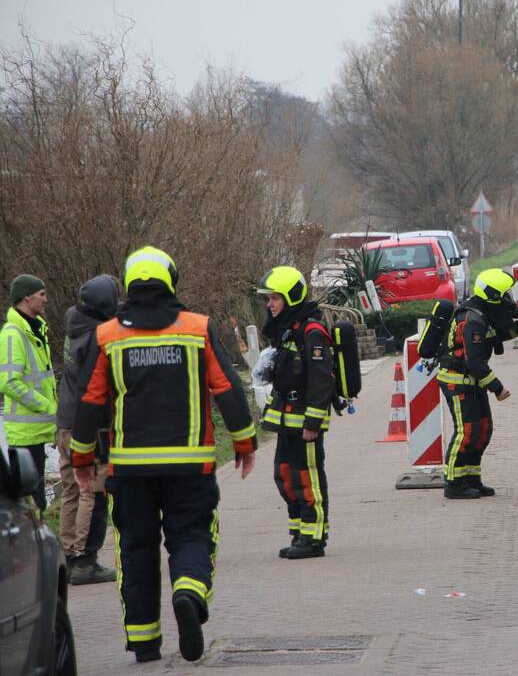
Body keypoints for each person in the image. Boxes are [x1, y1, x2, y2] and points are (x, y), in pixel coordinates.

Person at [71, 246, 256, 664]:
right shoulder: (197, 328)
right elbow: (227, 388)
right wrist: (244, 444)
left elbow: (89, 401)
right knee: (191, 535)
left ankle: (144, 641)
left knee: (135, 551)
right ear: (171, 280)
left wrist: (82, 460)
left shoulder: (108, 336)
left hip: (131, 471)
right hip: (190, 466)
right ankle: (188, 592)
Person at [256, 266, 334, 560]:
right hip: (287, 415)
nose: (270, 304)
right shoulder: (288, 330)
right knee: (285, 474)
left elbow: (321, 380)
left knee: (307, 476)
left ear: (290, 297)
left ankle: (314, 538)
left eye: (275, 298)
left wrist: (313, 422)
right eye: (269, 299)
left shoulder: (312, 332)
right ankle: (300, 532)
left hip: (306, 418)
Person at [435, 269, 518, 499]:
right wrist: (497, 387)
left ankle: (471, 479)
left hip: (471, 381)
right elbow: (474, 361)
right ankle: (453, 483)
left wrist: (512, 331)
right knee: (467, 431)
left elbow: (489, 337)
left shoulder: (481, 312)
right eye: (505, 294)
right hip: (458, 380)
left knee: (483, 429)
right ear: (493, 294)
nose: (509, 299)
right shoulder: (472, 319)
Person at [56, 274, 119, 585]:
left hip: (64, 419)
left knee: (69, 488)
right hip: (86, 425)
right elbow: (97, 387)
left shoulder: (74, 322)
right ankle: (85, 559)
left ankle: (67, 554)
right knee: (92, 489)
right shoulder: (95, 337)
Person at [0, 274, 56, 511]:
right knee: (33, 503)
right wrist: (47, 406)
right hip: (25, 433)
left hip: (38, 429)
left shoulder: (34, 330)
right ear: (27, 297)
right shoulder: (13, 334)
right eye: (42, 294)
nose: (46, 300)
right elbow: (9, 382)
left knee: (39, 499)